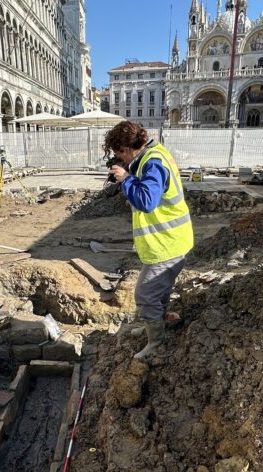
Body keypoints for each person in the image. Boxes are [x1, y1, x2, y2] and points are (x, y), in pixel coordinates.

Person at [105, 121, 194, 360]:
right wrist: (131, 174)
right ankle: (154, 325)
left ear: (127, 147)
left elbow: (146, 201)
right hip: (170, 241)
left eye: (120, 154)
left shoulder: (153, 163)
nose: (120, 159)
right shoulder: (153, 155)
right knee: (158, 290)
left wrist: (126, 178)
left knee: (145, 294)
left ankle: (156, 341)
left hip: (167, 243)